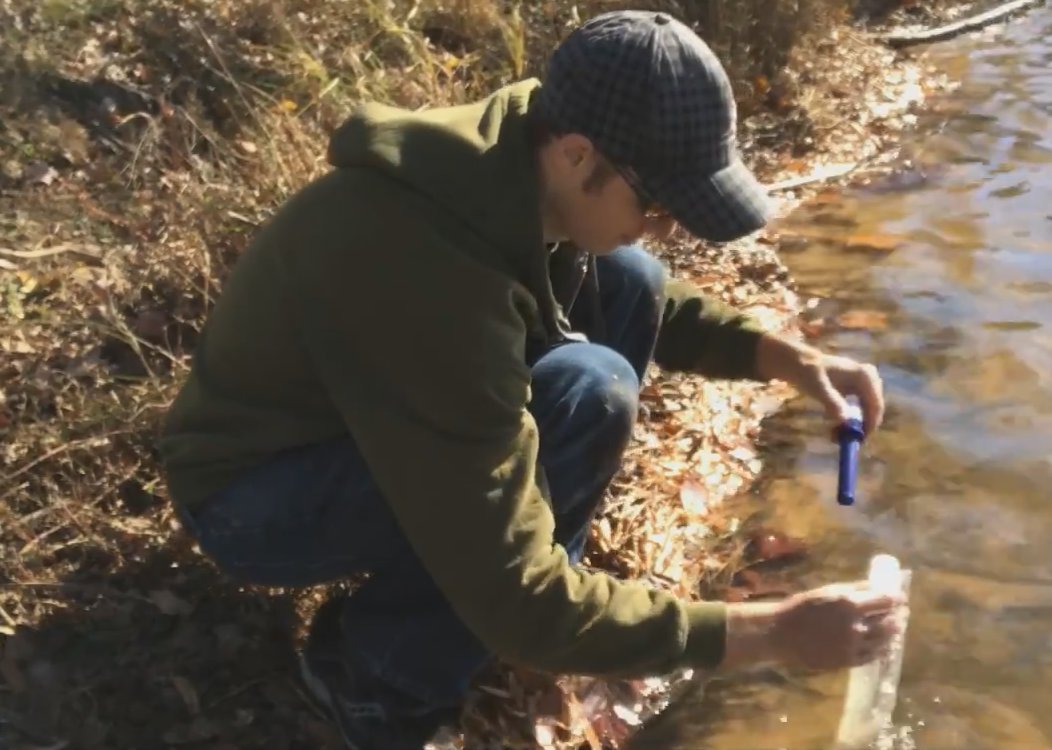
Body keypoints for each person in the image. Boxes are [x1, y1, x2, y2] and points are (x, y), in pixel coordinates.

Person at [158, 9, 902, 750]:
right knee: (591, 392)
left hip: (373, 422)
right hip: (253, 498)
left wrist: (792, 361)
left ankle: (532, 605)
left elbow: (657, 300)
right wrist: (772, 632)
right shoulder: (432, 277)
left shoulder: (516, 154)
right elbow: (516, 596)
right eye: (657, 206)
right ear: (579, 155)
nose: (667, 229)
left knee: (630, 276)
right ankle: (375, 677)